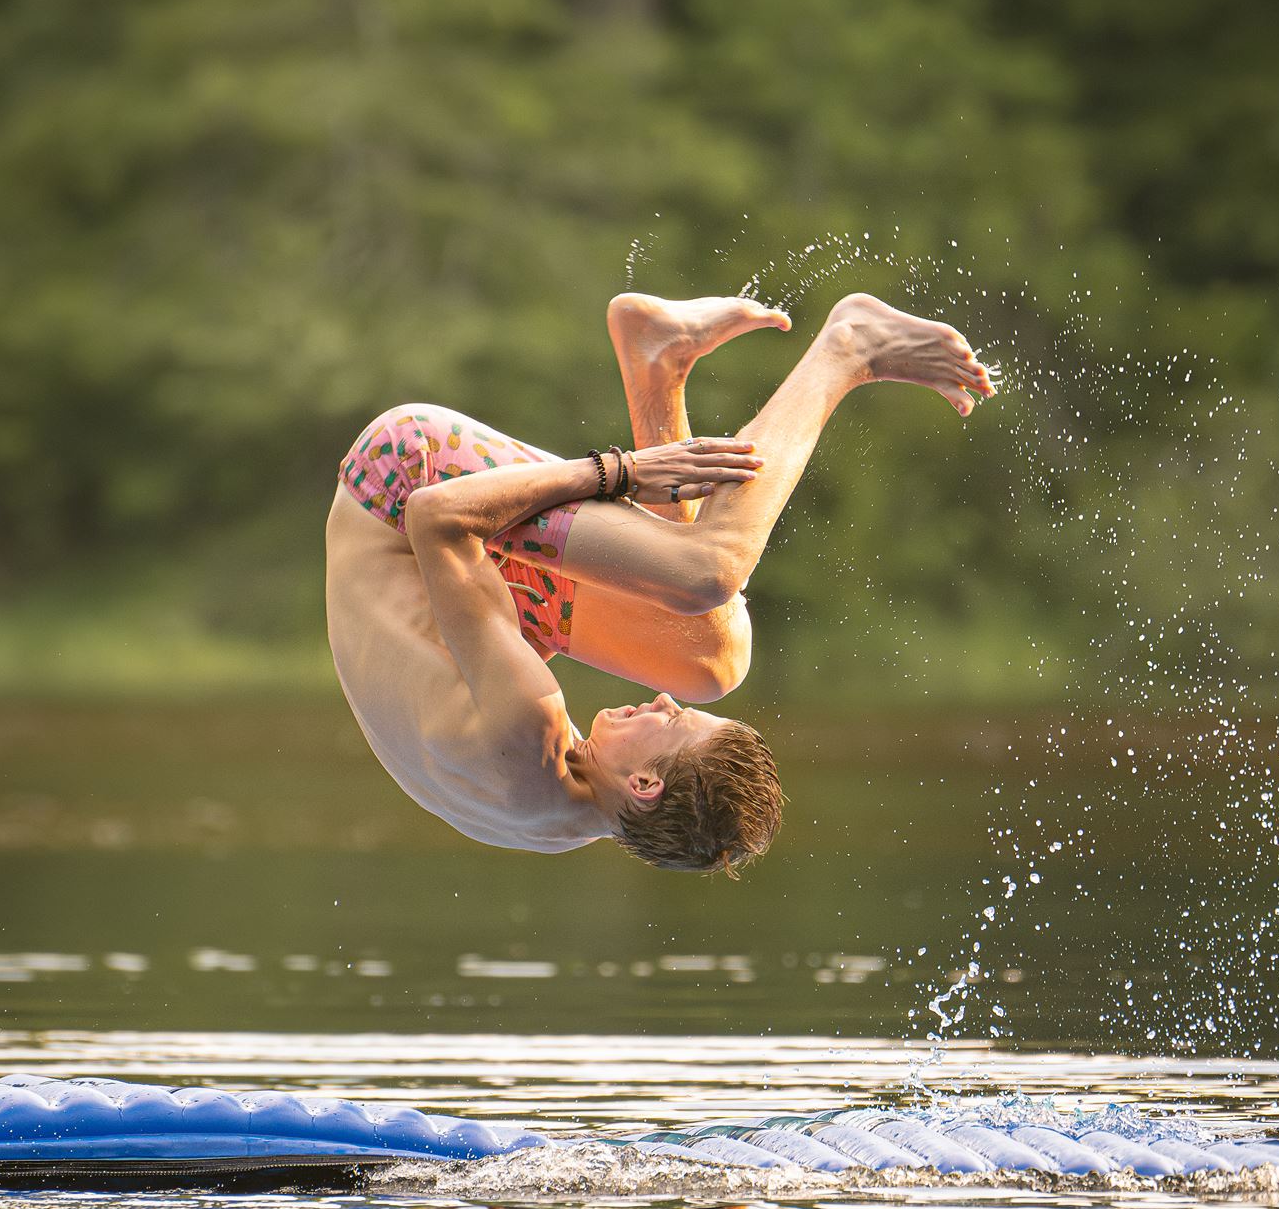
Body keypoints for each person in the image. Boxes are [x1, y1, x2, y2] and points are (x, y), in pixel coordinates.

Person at [325, 291, 996, 872]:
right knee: (711, 658)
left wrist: (620, 472)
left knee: (708, 572)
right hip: (442, 565)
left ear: (644, 783)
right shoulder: (562, 819)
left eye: (670, 720)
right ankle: (658, 364)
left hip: (403, 479)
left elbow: (436, 516)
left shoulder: (526, 728)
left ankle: (851, 346)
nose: (658, 700)